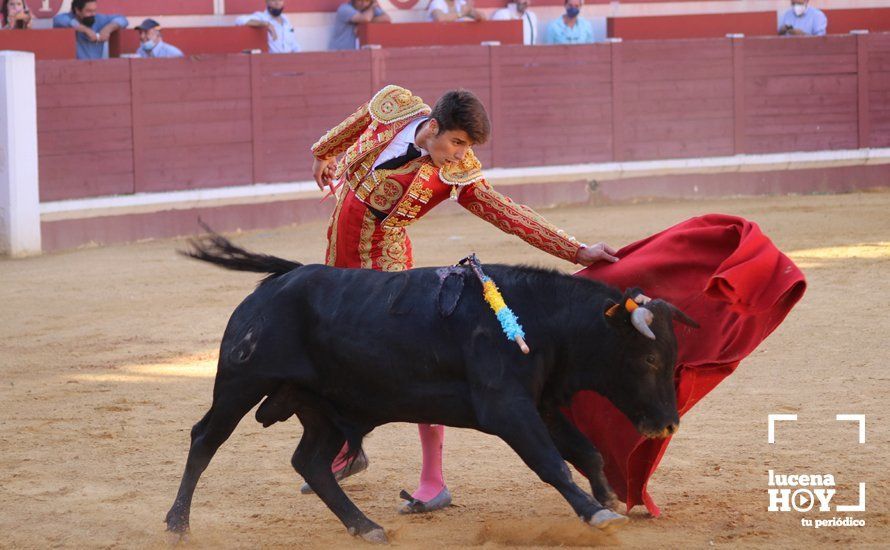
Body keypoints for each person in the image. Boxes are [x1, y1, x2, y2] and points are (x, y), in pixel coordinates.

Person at [308, 85, 618, 513]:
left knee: (414, 360)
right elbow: (351, 126)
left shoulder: (458, 172)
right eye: (456, 142)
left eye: (466, 147)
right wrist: (324, 154)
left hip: (386, 264)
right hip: (338, 252)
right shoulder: (394, 104)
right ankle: (348, 447)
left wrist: (576, 250)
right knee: (335, 347)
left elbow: (507, 213)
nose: (459, 155)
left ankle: (432, 482)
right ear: (432, 126)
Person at [52, 0, 128, 60]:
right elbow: (58, 20)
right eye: (89, 11)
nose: (93, 14)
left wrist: (107, 29)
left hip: (96, 67)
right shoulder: (67, 18)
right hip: (74, 69)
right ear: (77, 10)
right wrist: (85, 30)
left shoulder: (99, 19)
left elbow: (123, 20)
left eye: (94, 10)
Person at [236, 0, 300, 54]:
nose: (277, 3)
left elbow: (294, 44)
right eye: (273, 0)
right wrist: (266, 24)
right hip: (271, 62)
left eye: (280, 0)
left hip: (289, 61)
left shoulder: (286, 20)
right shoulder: (261, 17)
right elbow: (239, 20)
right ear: (266, 2)